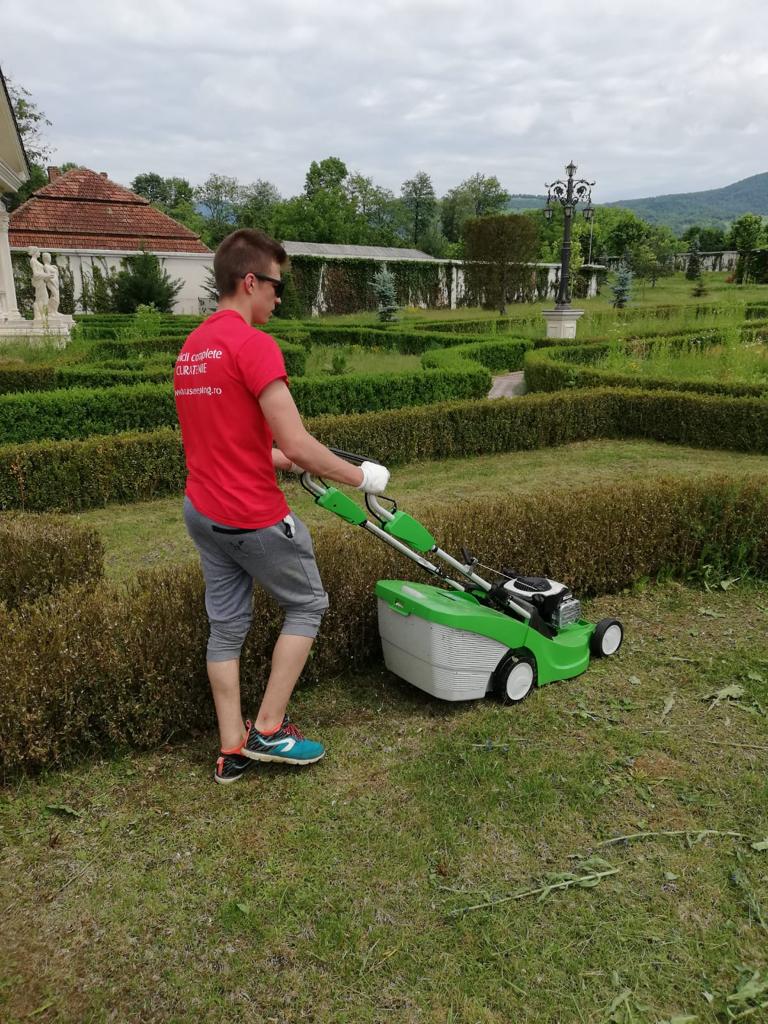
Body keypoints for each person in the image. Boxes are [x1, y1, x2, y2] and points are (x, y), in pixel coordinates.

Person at [175, 229, 390, 785]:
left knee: (226, 626)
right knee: (308, 604)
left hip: (202, 511)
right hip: (251, 516)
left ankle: (232, 750)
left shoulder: (193, 348)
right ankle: (269, 729)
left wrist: (276, 460)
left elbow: (220, 439)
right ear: (250, 281)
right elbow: (298, 441)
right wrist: (362, 476)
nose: (278, 297)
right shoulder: (253, 345)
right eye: (277, 286)